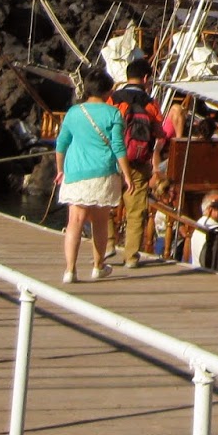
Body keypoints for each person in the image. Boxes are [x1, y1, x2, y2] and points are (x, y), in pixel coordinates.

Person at [53, 75, 134, 284]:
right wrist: (126, 174)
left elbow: (61, 143)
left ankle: (70, 270)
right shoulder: (114, 113)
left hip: (75, 172)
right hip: (103, 172)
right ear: (108, 92)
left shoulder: (73, 113)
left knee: (75, 222)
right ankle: (98, 266)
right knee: (100, 221)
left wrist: (60, 169)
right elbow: (118, 146)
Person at [111, 59, 174, 269]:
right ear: (146, 79)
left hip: (113, 161)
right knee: (136, 211)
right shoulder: (150, 103)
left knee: (104, 205)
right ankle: (130, 257)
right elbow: (160, 132)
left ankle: (108, 244)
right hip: (138, 163)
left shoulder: (113, 99)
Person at [190, 190, 218, 268]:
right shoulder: (217, 228)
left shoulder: (198, 223)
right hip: (214, 272)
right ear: (210, 209)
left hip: (197, 269)